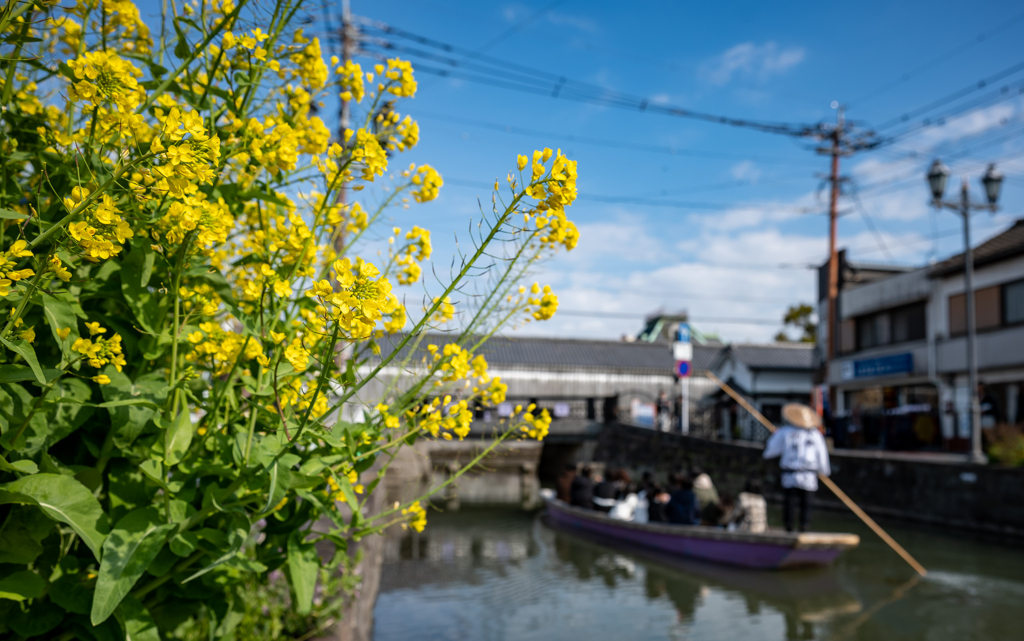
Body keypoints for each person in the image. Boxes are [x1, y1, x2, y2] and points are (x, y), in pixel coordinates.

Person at [763, 403, 831, 532]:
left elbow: (770, 451)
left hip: (790, 474)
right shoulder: (815, 435)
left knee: (790, 502)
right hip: (808, 475)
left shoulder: (785, 432)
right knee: (806, 503)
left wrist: (774, 436)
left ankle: (789, 527)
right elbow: (822, 455)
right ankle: (803, 527)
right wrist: (824, 471)